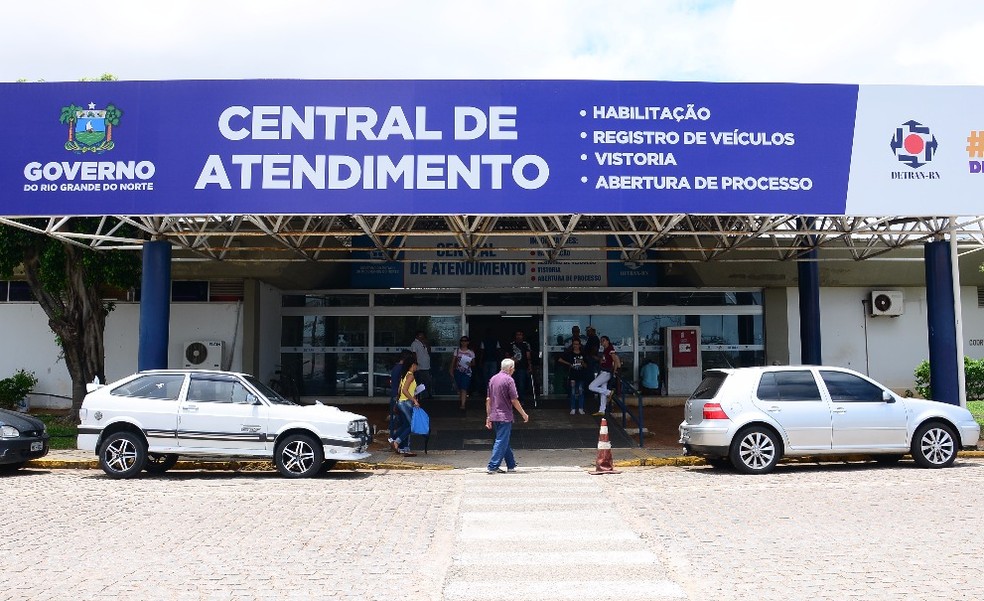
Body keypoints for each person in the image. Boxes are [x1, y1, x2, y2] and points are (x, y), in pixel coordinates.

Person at [485, 358, 530, 474]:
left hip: (494, 415)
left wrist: (488, 416)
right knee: (501, 440)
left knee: (504, 440)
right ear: (510, 368)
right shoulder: (509, 380)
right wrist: (523, 414)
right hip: (505, 416)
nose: (514, 370)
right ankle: (493, 465)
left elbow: (488, 400)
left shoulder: (493, 379)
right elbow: (514, 400)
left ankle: (511, 464)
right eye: (513, 368)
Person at [389, 355, 420, 457]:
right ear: (412, 365)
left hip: (401, 402)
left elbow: (399, 390)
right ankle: (396, 441)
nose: (417, 367)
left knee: (406, 425)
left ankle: (405, 448)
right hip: (406, 402)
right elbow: (404, 390)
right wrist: (414, 400)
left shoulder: (405, 375)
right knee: (412, 425)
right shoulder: (410, 376)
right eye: (416, 365)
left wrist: (397, 402)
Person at [588, 335, 621, 415]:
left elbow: (615, 360)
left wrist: (615, 371)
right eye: (601, 341)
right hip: (604, 371)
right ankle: (602, 410)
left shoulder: (610, 348)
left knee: (591, 386)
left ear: (607, 341)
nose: (602, 342)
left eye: (603, 340)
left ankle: (608, 392)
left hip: (607, 372)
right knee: (602, 390)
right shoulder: (606, 350)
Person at [557, 338, 589, 414]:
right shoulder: (569, 353)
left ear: (580, 345)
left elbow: (586, 365)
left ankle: (581, 408)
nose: (575, 346)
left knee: (581, 392)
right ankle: (573, 408)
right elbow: (560, 359)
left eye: (577, 344)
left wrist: (582, 362)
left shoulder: (583, 354)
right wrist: (569, 364)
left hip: (581, 375)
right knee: (573, 392)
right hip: (573, 375)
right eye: (574, 344)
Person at [388, 349, 413, 441]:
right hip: (400, 398)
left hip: (395, 396)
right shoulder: (403, 369)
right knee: (406, 423)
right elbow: (402, 387)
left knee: (401, 422)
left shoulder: (395, 368)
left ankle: (394, 440)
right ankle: (396, 440)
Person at [450, 335, 475, 410]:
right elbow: (453, 361)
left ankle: (463, 404)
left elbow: (474, 363)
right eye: (462, 341)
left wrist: (469, 364)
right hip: (458, 371)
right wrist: (451, 369)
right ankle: (461, 400)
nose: (463, 342)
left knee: (464, 388)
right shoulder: (457, 351)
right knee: (460, 387)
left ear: (468, 342)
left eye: (465, 341)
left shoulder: (470, 352)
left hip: (467, 372)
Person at [508, 330, 532, 401]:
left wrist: (530, 366)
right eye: (517, 334)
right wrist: (512, 359)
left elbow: (528, 356)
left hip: (523, 367)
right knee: (513, 384)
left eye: (520, 334)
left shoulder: (526, 344)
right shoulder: (511, 344)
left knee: (521, 384)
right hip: (512, 368)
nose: (519, 336)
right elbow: (507, 355)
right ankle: (513, 400)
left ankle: (521, 400)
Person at [409, 330, 432, 399]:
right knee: (423, 381)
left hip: (426, 366)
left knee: (426, 381)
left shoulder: (423, 343)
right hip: (420, 366)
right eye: (420, 335)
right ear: (417, 336)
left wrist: (426, 344)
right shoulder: (414, 343)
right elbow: (414, 353)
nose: (422, 337)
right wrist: (416, 363)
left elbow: (429, 351)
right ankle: (419, 395)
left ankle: (425, 395)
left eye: (423, 335)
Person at [479, 327, 501, 392]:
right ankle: (492, 390)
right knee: (492, 376)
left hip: (486, 360)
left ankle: (488, 390)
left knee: (486, 377)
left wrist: (480, 361)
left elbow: (482, 352)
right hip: (493, 360)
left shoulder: (484, 340)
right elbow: (498, 350)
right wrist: (498, 360)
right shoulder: (495, 341)